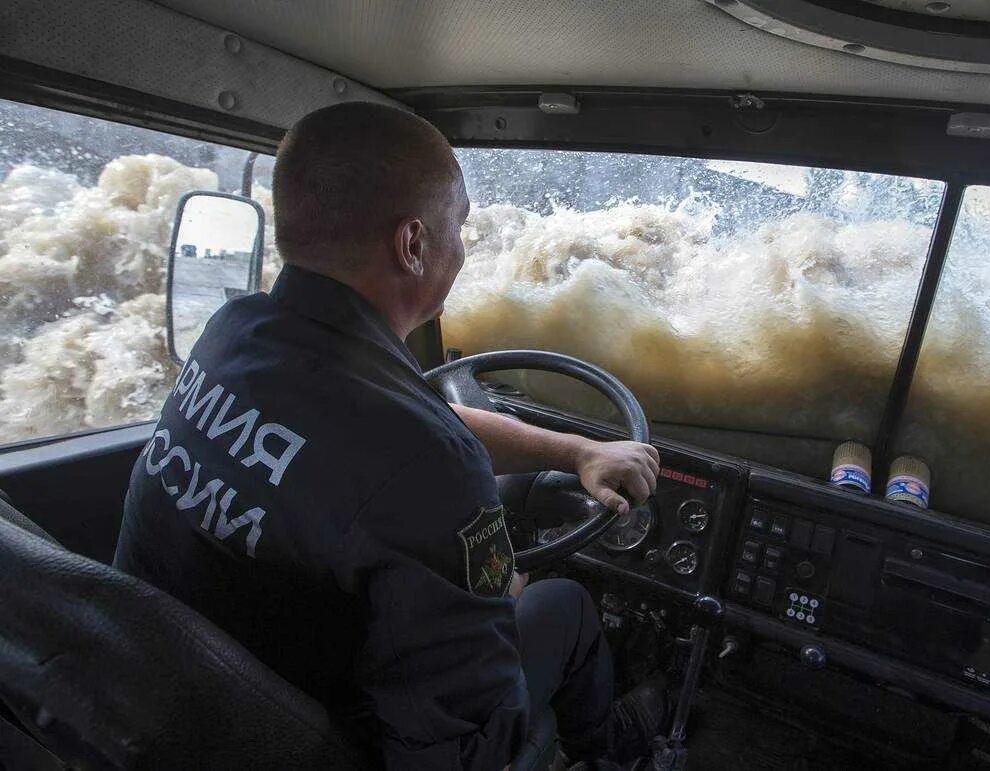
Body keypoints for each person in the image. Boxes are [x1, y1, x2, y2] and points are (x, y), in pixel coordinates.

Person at [115, 101, 666, 770]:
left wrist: (576, 450)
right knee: (567, 606)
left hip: (164, 709)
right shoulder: (427, 466)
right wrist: (493, 596)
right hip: (318, 742)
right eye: (459, 225)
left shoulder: (234, 333)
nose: (463, 245)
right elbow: (461, 745)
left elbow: (400, 432)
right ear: (413, 244)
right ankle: (618, 751)